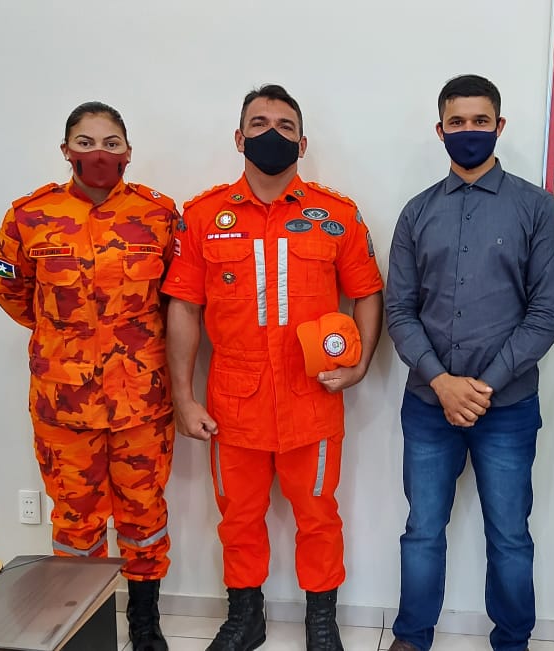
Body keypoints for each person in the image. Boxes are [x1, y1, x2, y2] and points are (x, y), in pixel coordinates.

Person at [161, 84, 384, 651]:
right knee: (238, 516)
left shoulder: (336, 215)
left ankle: (321, 622)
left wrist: (359, 365)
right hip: (233, 400)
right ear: (239, 138)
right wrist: (183, 397)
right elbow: (183, 308)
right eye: (259, 124)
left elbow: (367, 291)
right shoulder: (203, 216)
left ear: (302, 143)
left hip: (313, 396)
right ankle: (245, 618)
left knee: (318, 515)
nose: (272, 135)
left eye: (285, 126)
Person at [384, 74, 554, 651]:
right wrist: (441, 382)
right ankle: (411, 638)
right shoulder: (416, 213)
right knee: (421, 531)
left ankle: (512, 641)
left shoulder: (536, 208)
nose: (469, 131)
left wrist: (482, 387)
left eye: (480, 121)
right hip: (427, 404)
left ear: (499, 126)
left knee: (510, 535)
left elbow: (548, 314)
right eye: (457, 122)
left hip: (507, 408)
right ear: (440, 130)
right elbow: (399, 310)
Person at [0, 101, 177, 651]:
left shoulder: (159, 215)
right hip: (63, 405)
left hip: (141, 401)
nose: (99, 153)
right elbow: (11, 290)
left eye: (111, 143)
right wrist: (64, 339)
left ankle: (145, 622)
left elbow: (179, 298)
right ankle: (84, 629)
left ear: (128, 152)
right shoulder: (29, 216)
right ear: (66, 150)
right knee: (75, 525)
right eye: (86, 142)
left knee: (145, 516)